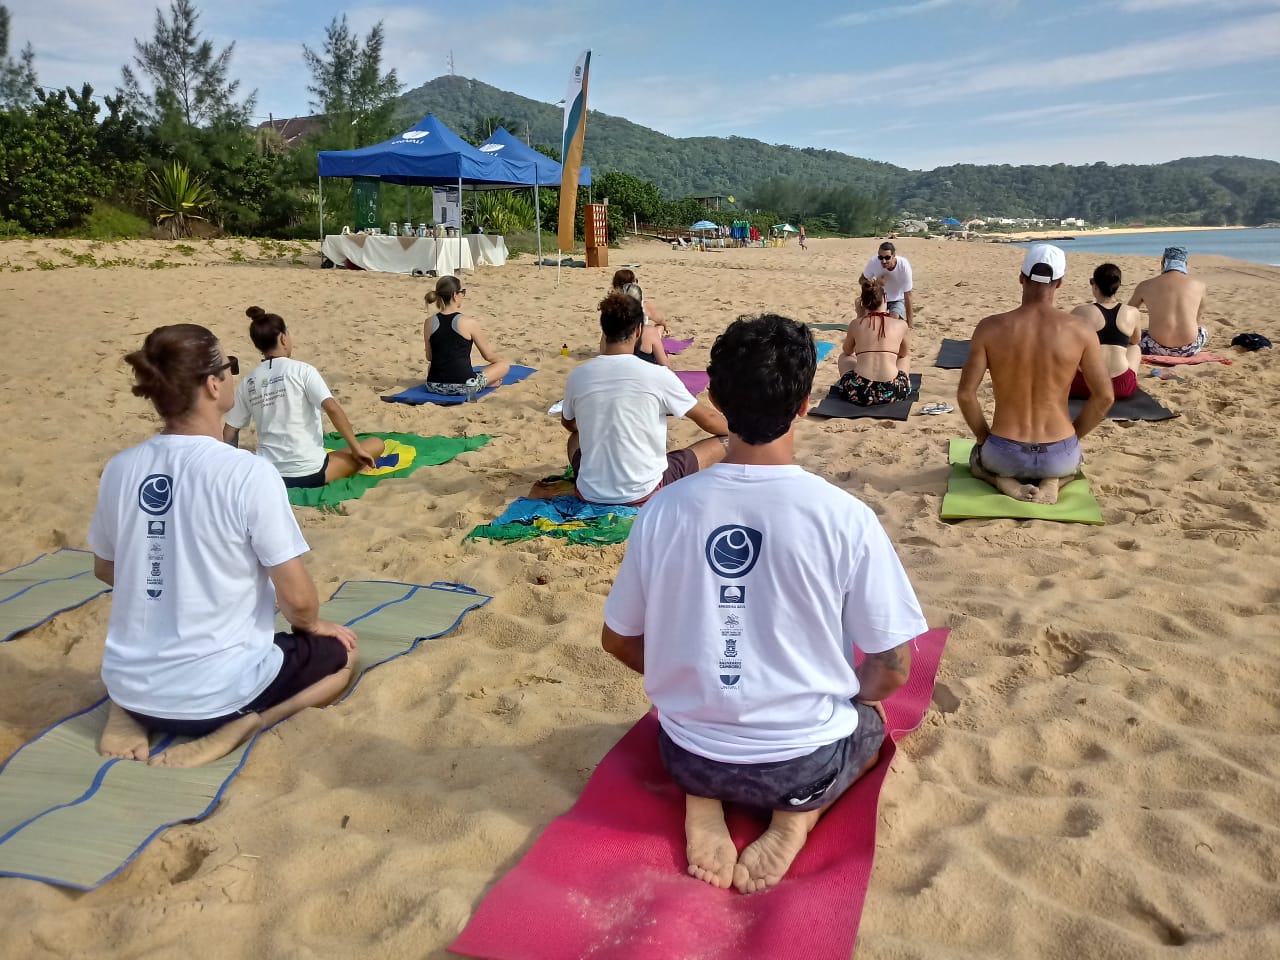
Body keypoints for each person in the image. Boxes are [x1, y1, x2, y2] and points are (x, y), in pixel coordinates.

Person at [601, 314, 925, 894]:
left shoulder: (665, 511)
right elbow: (892, 667)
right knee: (870, 725)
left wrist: (691, 676)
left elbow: (619, 639)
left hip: (688, 753)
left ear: (718, 400)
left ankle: (703, 802)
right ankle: (796, 815)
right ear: (805, 404)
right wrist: (853, 694)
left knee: (692, 735)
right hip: (802, 764)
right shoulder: (844, 518)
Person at [89, 324, 359, 768]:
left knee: (159, 658)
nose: (234, 375)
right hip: (218, 696)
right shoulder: (247, 473)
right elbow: (298, 601)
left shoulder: (120, 468)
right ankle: (250, 722)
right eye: (229, 368)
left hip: (130, 682)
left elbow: (105, 569)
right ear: (214, 384)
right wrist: (314, 626)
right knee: (342, 657)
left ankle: (126, 709)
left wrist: (170, 578)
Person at [958, 244, 1113, 505]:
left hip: (1004, 453)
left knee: (976, 460)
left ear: (1021, 277)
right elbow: (1105, 397)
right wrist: (1073, 435)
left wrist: (984, 438)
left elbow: (965, 395)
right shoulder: (1081, 330)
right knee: (1075, 461)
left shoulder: (989, 327)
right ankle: (1054, 481)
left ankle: (1001, 481)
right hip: (1058, 453)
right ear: (1060, 283)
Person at [562, 292, 728, 506]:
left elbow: (568, 423)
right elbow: (708, 419)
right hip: (645, 492)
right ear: (639, 330)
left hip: (590, 493)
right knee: (728, 439)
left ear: (603, 330)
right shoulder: (657, 375)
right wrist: (738, 429)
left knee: (575, 438)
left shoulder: (579, 375)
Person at [224, 306, 384, 489]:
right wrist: (356, 448)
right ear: (284, 338)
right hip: (310, 473)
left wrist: (230, 465)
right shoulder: (302, 370)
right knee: (376, 443)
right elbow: (332, 408)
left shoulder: (248, 381)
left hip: (269, 475)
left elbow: (230, 431)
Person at [422, 275, 510, 395]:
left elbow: (430, 357)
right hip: (465, 386)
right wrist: (500, 362)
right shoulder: (469, 322)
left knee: (433, 365)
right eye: (462, 292)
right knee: (503, 366)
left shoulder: (429, 322)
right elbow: (488, 356)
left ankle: (488, 382)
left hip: (433, 386)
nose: (463, 295)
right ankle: (488, 383)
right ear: (454, 295)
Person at [835, 277, 912, 405]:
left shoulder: (856, 324)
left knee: (844, 357)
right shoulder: (900, 324)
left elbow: (847, 351)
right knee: (905, 358)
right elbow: (903, 354)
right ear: (885, 299)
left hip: (860, 391)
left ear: (863, 303)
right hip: (893, 390)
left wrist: (860, 317)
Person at [1070, 263, 1141, 400]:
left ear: (1095, 286)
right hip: (1121, 387)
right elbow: (1135, 340)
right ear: (1117, 286)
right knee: (1135, 348)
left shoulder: (1080, 311)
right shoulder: (1132, 312)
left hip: (1085, 386)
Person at [1128, 246, 1209, 357]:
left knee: (1141, 334)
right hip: (1189, 348)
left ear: (1163, 263)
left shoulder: (1145, 285)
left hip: (1155, 347)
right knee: (1204, 330)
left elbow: (1127, 311)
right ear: (1185, 264)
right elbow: (1197, 319)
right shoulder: (1200, 286)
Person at [862, 241, 914, 326]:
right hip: (879, 298)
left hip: (897, 299)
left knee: (892, 320)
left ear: (893, 256)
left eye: (887, 257)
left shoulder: (904, 266)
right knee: (870, 322)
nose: (883, 261)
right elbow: (861, 281)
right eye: (880, 257)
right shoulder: (873, 262)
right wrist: (875, 282)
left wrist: (910, 323)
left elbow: (908, 295)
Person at [619, 282, 670, 366]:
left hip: (621, 361)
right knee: (658, 328)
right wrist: (665, 327)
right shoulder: (649, 331)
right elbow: (665, 365)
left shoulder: (610, 330)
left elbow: (603, 352)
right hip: (645, 341)